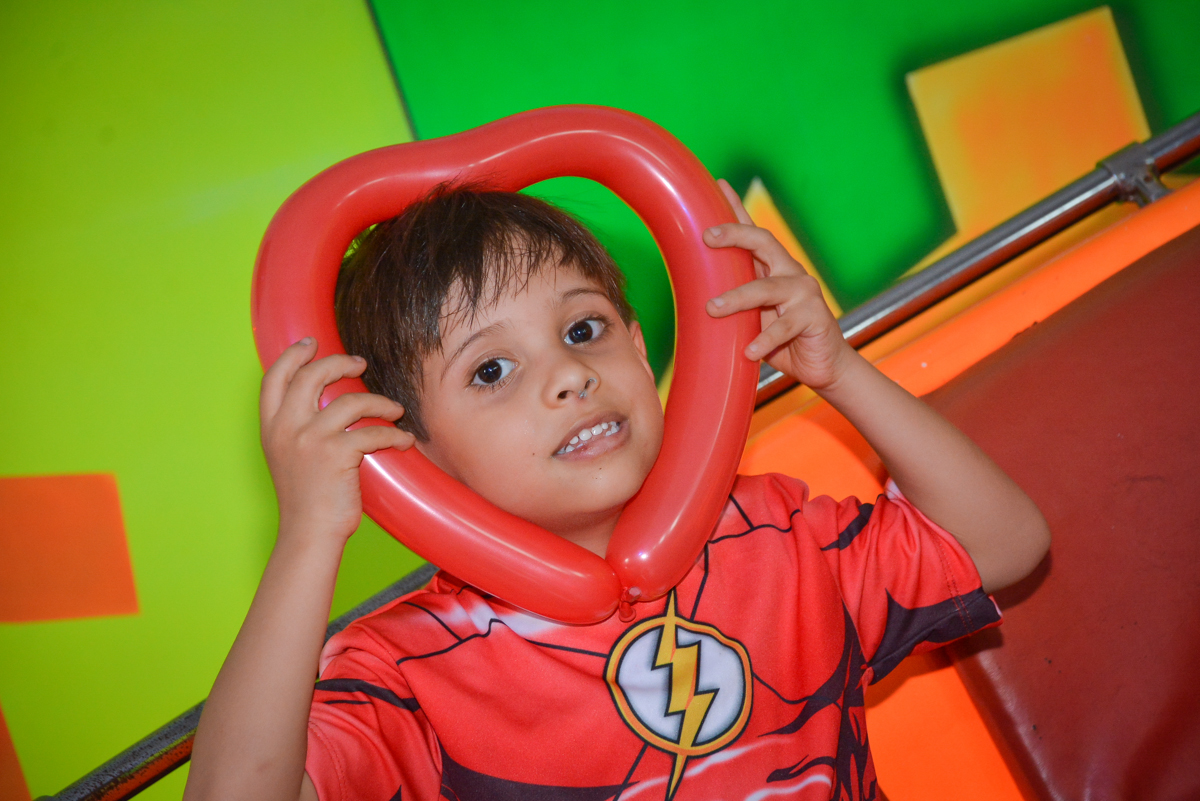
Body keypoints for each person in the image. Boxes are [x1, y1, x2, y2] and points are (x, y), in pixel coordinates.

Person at [184, 182, 1050, 801]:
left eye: (584, 328)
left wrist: (842, 371)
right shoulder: (409, 671)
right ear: (408, 448)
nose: (567, 373)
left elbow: (1008, 546)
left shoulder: (773, 531)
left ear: (641, 348)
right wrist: (309, 531)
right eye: (492, 368)